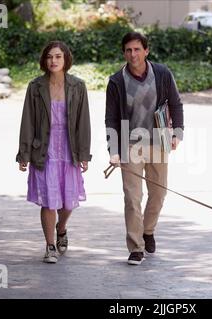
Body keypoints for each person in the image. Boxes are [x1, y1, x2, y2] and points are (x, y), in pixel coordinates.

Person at [105, 32, 184, 265]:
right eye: (128, 50)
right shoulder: (116, 81)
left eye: (137, 49)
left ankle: (148, 230)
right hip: (130, 144)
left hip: (158, 140)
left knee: (159, 193)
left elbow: (176, 103)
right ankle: (136, 247)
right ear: (124, 53)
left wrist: (177, 133)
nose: (133, 54)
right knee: (132, 197)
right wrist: (114, 150)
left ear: (146, 51)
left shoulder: (162, 73)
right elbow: (111, 118)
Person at [16, 41, 92, 263]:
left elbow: (83, 122)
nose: (53, 61)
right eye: (49, 57)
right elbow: (27, 121)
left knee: (68, 203)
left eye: (58, 56)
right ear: (44, 60)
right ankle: (50, 246)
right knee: (49, 201)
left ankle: (61, 227)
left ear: (66, 59)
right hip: (44, 152)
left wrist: (84, 154)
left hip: (69, 151)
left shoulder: (78, 86)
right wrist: (24, 154)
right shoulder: (35, 87)